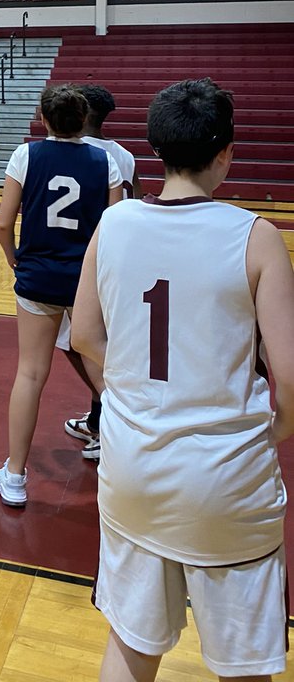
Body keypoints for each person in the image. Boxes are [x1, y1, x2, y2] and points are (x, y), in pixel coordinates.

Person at [72, 78, 294, 682]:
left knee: (132, 643)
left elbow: (86, 336)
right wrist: (277, 430)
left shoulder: (114, 224)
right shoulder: (257, 237)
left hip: (132, 466)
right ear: (227, 151)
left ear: (155, 148)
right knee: (244, 664)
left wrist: (122, 396)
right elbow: (291, 378)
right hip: (226, 476)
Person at [0, 84, 121, 508]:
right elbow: (116, 232)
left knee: (30, 374)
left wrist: (15, 261)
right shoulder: (107, 161)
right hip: (86, 282)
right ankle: (132, 466)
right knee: (108, 377)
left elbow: (2, 223)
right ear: (83, 120)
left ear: (43, 118)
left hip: (38, 278)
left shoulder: (25, 155)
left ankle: (14, 476)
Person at [61, 82, 142, 461]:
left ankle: (113, 417)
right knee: (100, 341)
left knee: (78, 341)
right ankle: (98, 417)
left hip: (85, 260)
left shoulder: (78, 153)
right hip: (124, 257)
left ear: (83, 112)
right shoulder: (124, 155)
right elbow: (138, 202)